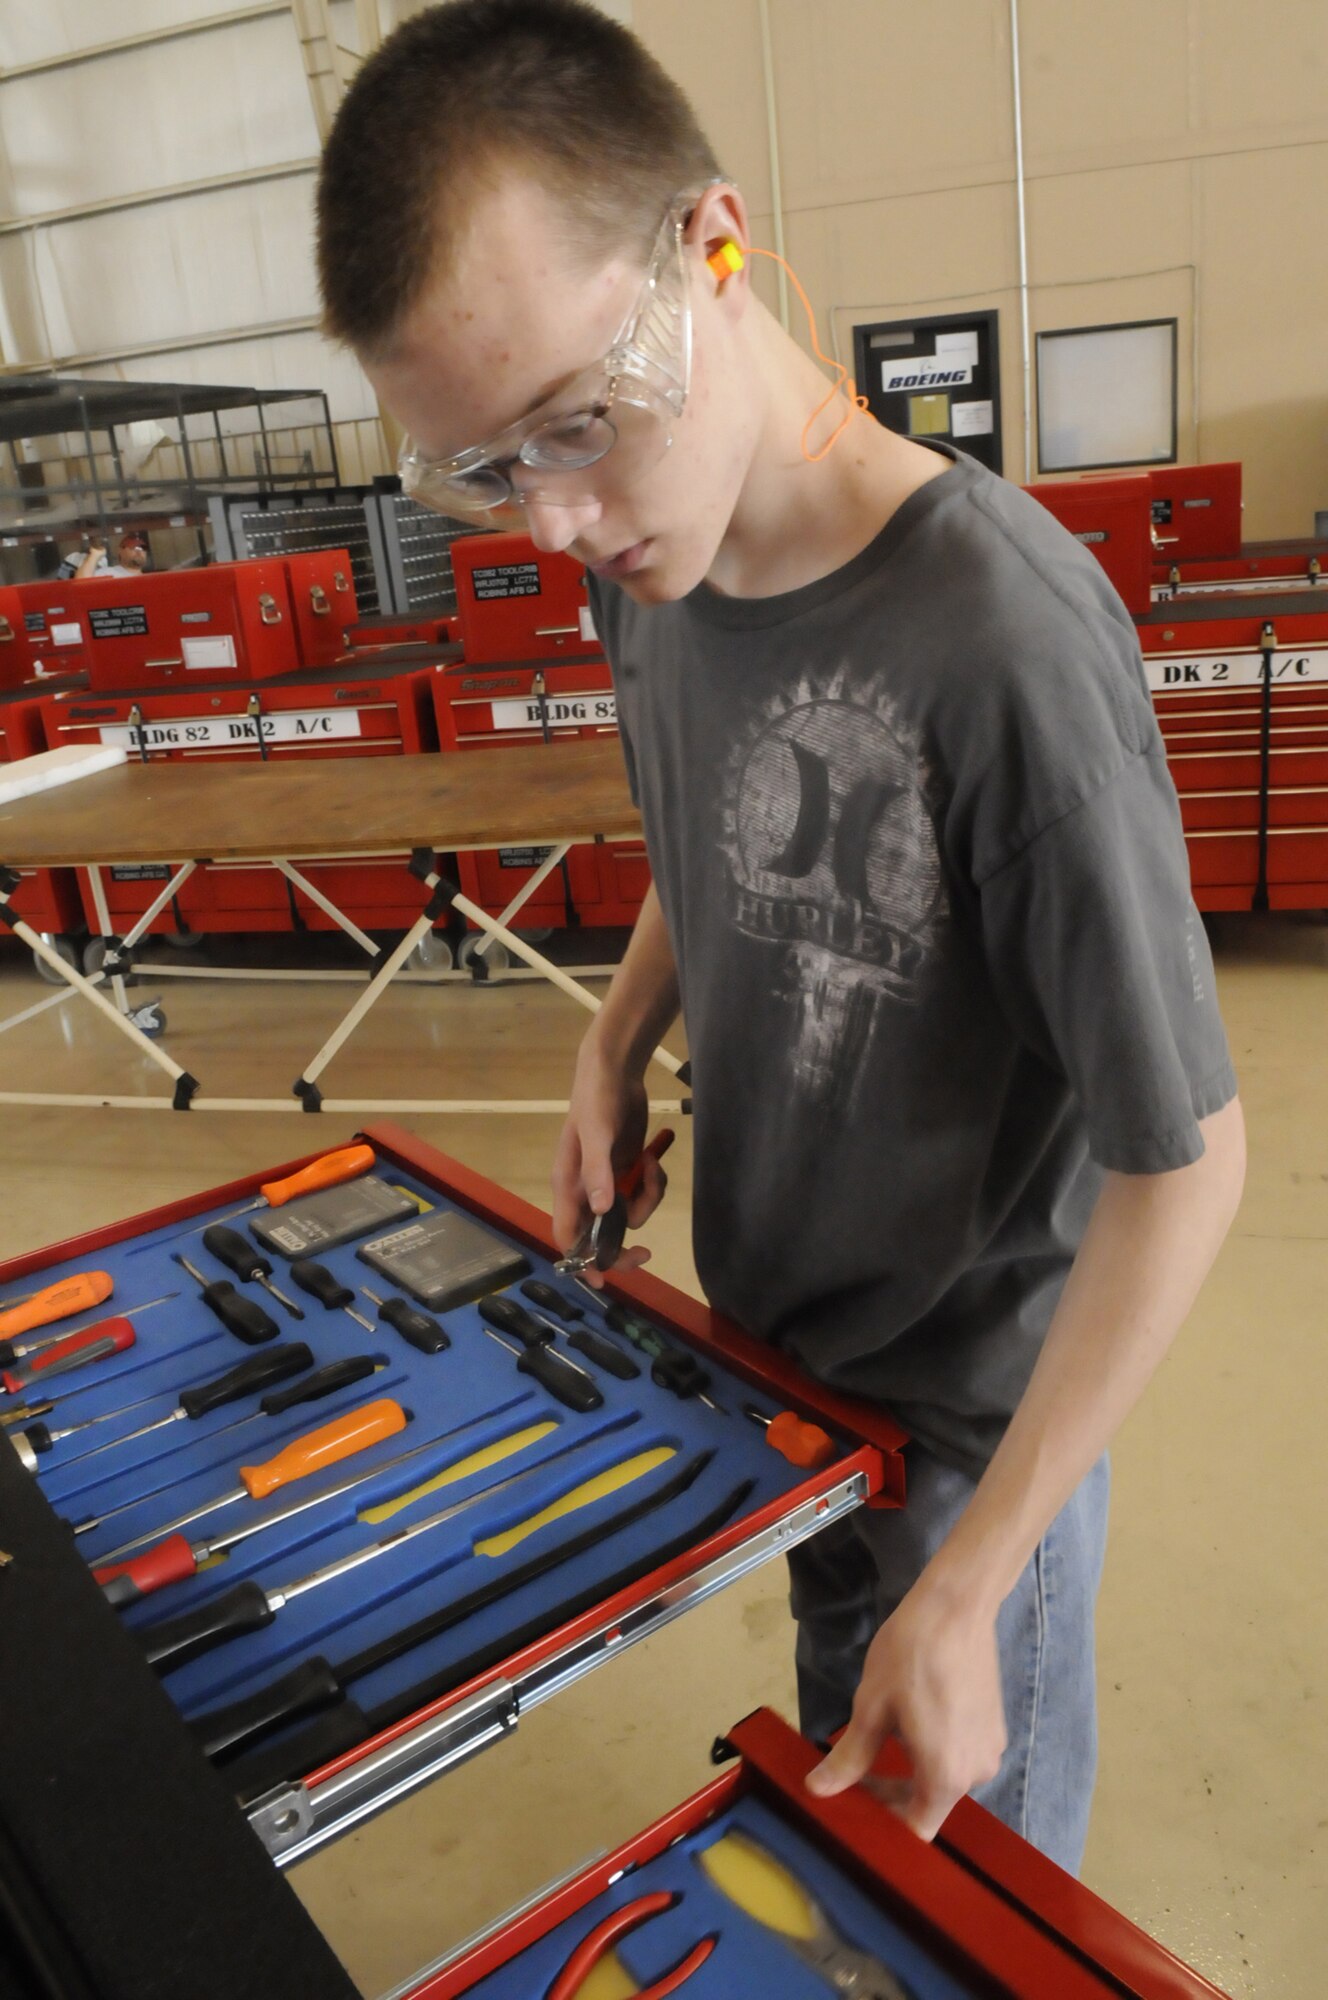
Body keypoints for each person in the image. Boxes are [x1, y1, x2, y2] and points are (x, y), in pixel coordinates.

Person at [316, 0, 1245, 1872]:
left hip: (974, 1434)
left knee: (958, 1898)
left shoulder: (1003, 645)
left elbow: (1186, 1164)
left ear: (711, 246)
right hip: (779, 1372)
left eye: (576, 423)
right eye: (486, 473)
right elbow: (717, 827)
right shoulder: (659, 559)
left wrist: (978, 1585)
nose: (557, 519)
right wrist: (610, 1039)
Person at [74, 531, 148, 580]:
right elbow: (82, 583)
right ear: (120, 551)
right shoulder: (108, 573)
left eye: (143, 548)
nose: (139, 551)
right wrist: (95, 555)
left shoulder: (150, 579)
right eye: (133, 547)